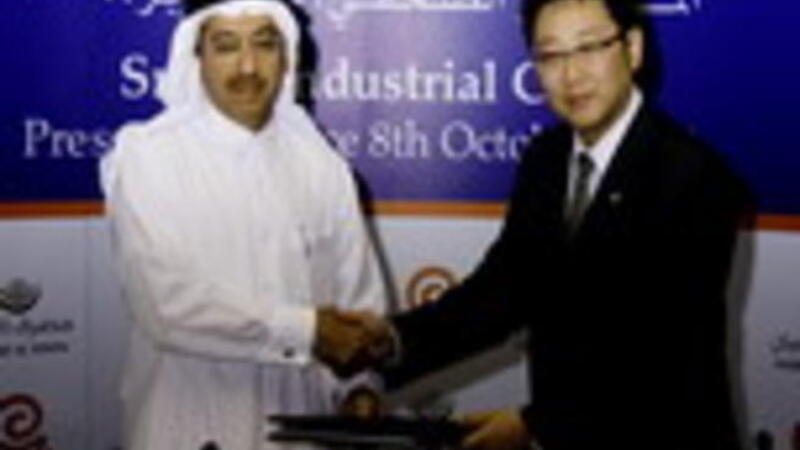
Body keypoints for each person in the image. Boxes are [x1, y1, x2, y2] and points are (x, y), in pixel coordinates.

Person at [336, 1, 749, 449]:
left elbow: (663, 351)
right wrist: (391, 340)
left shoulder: (695, 179)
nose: (571, 75)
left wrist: (536, 424)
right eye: (551, 56)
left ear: (632, 49)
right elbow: (502, 289)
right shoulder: (545, 160)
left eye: (588, 48)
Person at [100, 0, 386, 448]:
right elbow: (163, 305)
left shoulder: (322, 166)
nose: (248, 67)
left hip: (302, 426)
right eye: (227, 46)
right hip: (189, 424)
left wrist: (360, 387)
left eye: (264, 45)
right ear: (197, 57)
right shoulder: (148, 156)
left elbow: (356, 300)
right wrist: (308, 331)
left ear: (286, 56)